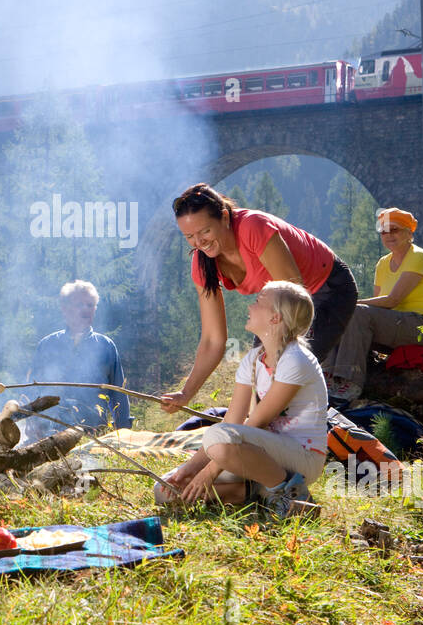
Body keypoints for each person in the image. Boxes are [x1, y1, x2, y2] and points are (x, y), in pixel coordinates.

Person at [159, 183, 357, 413]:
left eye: (205, 231)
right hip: (280, 302)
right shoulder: (202, 264)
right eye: (190, 236)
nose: (199, 242)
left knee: (283, 371)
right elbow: (213, 340)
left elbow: (294, 296)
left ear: (224, 217)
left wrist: (272, 359)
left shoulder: (253, 227)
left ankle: (301, 433)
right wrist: (186, 393)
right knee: (258, 375)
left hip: (327, 289)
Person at [155, 281, 328, 518]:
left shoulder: (295, 360)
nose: (249, 307)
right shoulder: (254, 360)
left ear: (275, 318)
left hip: (303, 457)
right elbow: (232, 423)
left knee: (216, 437)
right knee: (165, 490)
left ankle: (291, 496)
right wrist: (189, 470)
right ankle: (259, 492)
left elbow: (254, 423)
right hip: (260, 453)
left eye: (258, 302)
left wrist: (208, 472)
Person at [327, 207, 423, 401]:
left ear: (409, 233)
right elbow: (376, 307)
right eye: (384, 231)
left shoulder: (418, 256)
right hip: (399, 327)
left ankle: (350, 383)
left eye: (394, 230)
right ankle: (328, 376)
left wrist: (348, 305)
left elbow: (392, 301)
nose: (388, 235)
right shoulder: (383, 264)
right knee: (344, 318)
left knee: (355, 313)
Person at [23, 280, 131, 443]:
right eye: (80, 304)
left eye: (90, 305)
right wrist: (31, 421)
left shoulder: (106, 346)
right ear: (65, 308)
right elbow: (32, 388)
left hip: (92, 435)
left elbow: (119, 394)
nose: (86, 309)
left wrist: (123, 433)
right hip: (48, 434)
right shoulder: (47, 345)